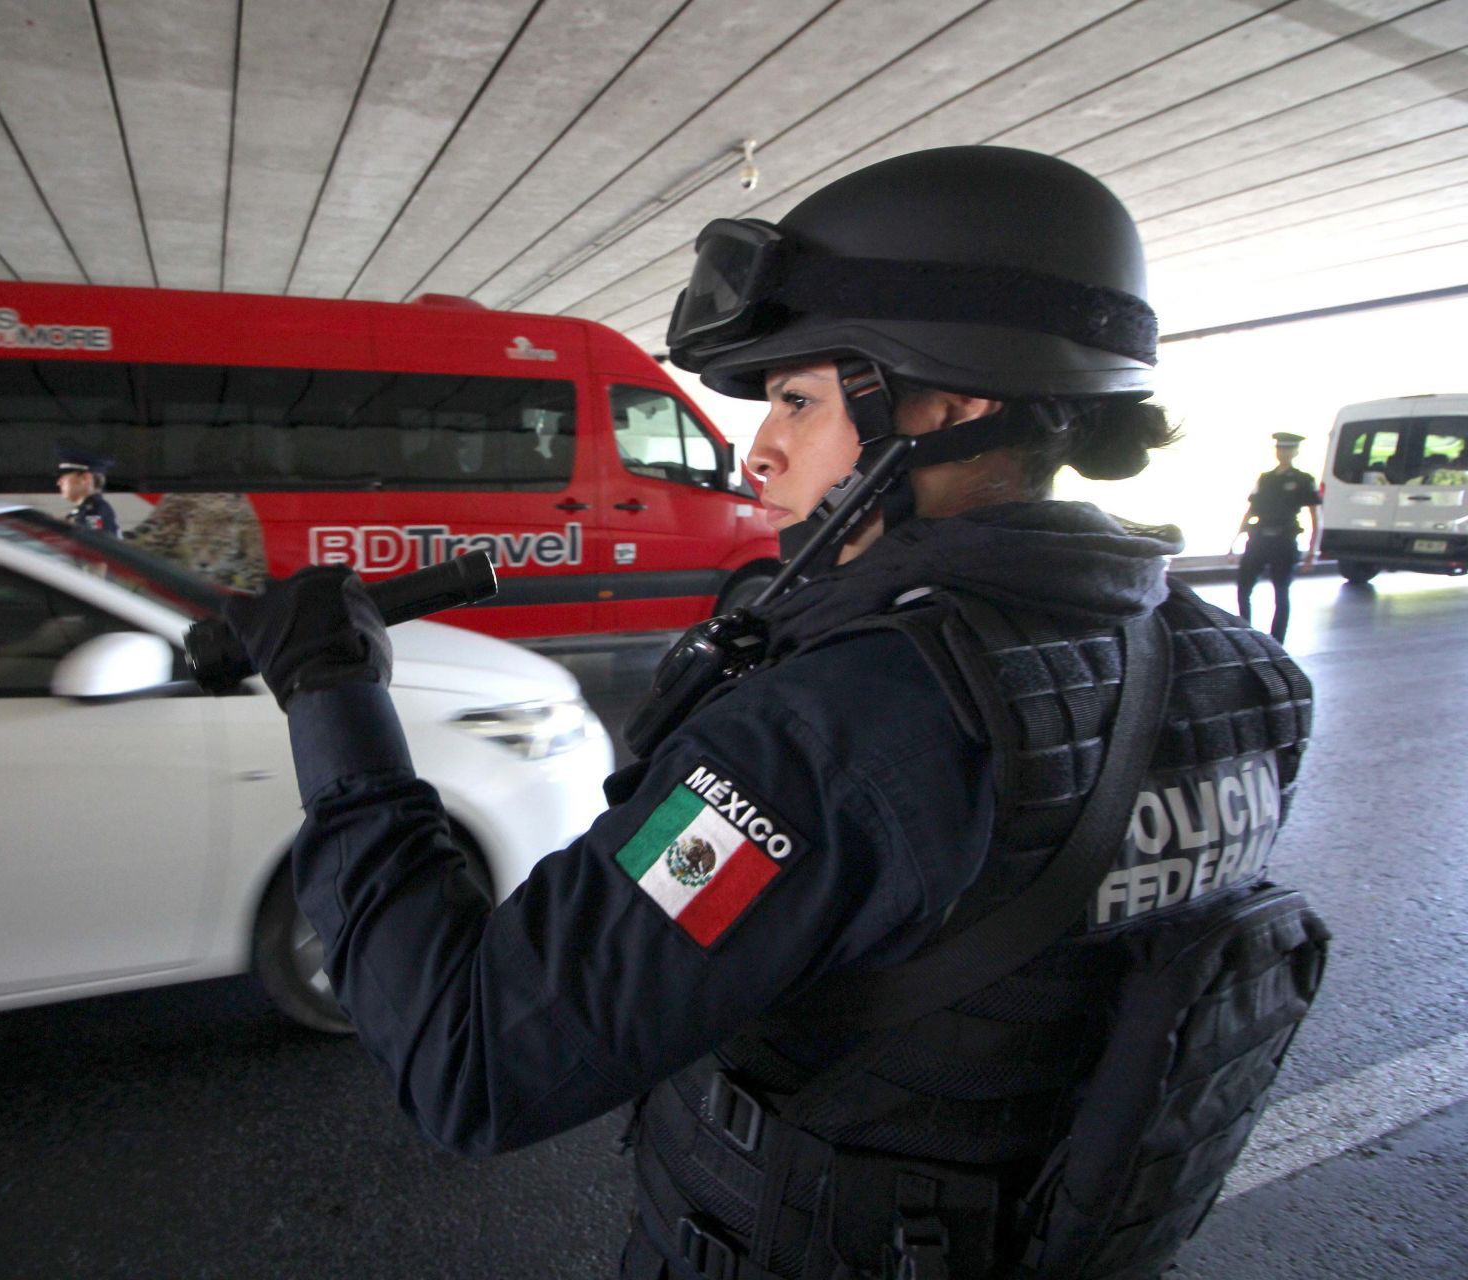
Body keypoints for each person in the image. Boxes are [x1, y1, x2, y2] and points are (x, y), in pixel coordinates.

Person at [222, 146, 1320, 1279]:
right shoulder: (1244, 670)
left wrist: (336, 699)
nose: (760, 449)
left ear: (952, 397)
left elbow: (474, 1059)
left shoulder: (838, 730)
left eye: (798, 396)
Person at [1235, 431, 1322, 641]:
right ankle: (1246, 633)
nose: (1282, 452)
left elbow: (1315, 515)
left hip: (1284, 541)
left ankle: (1277, 640)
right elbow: (1251, 509)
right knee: (1243, 587)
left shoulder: (1303, 479)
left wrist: (1313, 549)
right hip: (1259, 540)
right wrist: (1236, 538)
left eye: (1287, 448)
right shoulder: (1266, 479)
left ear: (1295, 452)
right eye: (1279, 448)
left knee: (1281, 593)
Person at [57, 447, 120, 538]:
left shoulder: (94, 512)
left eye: (64, 477)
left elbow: (91, 543)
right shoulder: (90, 509)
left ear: (85, 478)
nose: (59, 482)